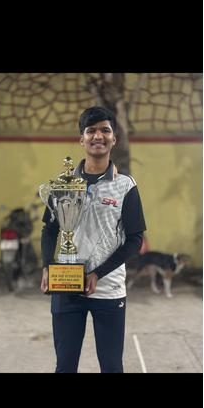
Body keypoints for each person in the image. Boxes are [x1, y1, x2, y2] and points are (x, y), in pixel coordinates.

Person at [40, 106, 147, 373]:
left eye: (105, 130)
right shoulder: (64, 183)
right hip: (67, 286)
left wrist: (98, 273)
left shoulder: (125, 185)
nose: (98, 136)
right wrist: (47, 267)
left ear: (114, 139)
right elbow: (50, 230)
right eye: (91, 131)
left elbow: (135, 239)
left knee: (111, 366)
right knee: (65, 366)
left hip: (108, 289)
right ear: (82, 139)